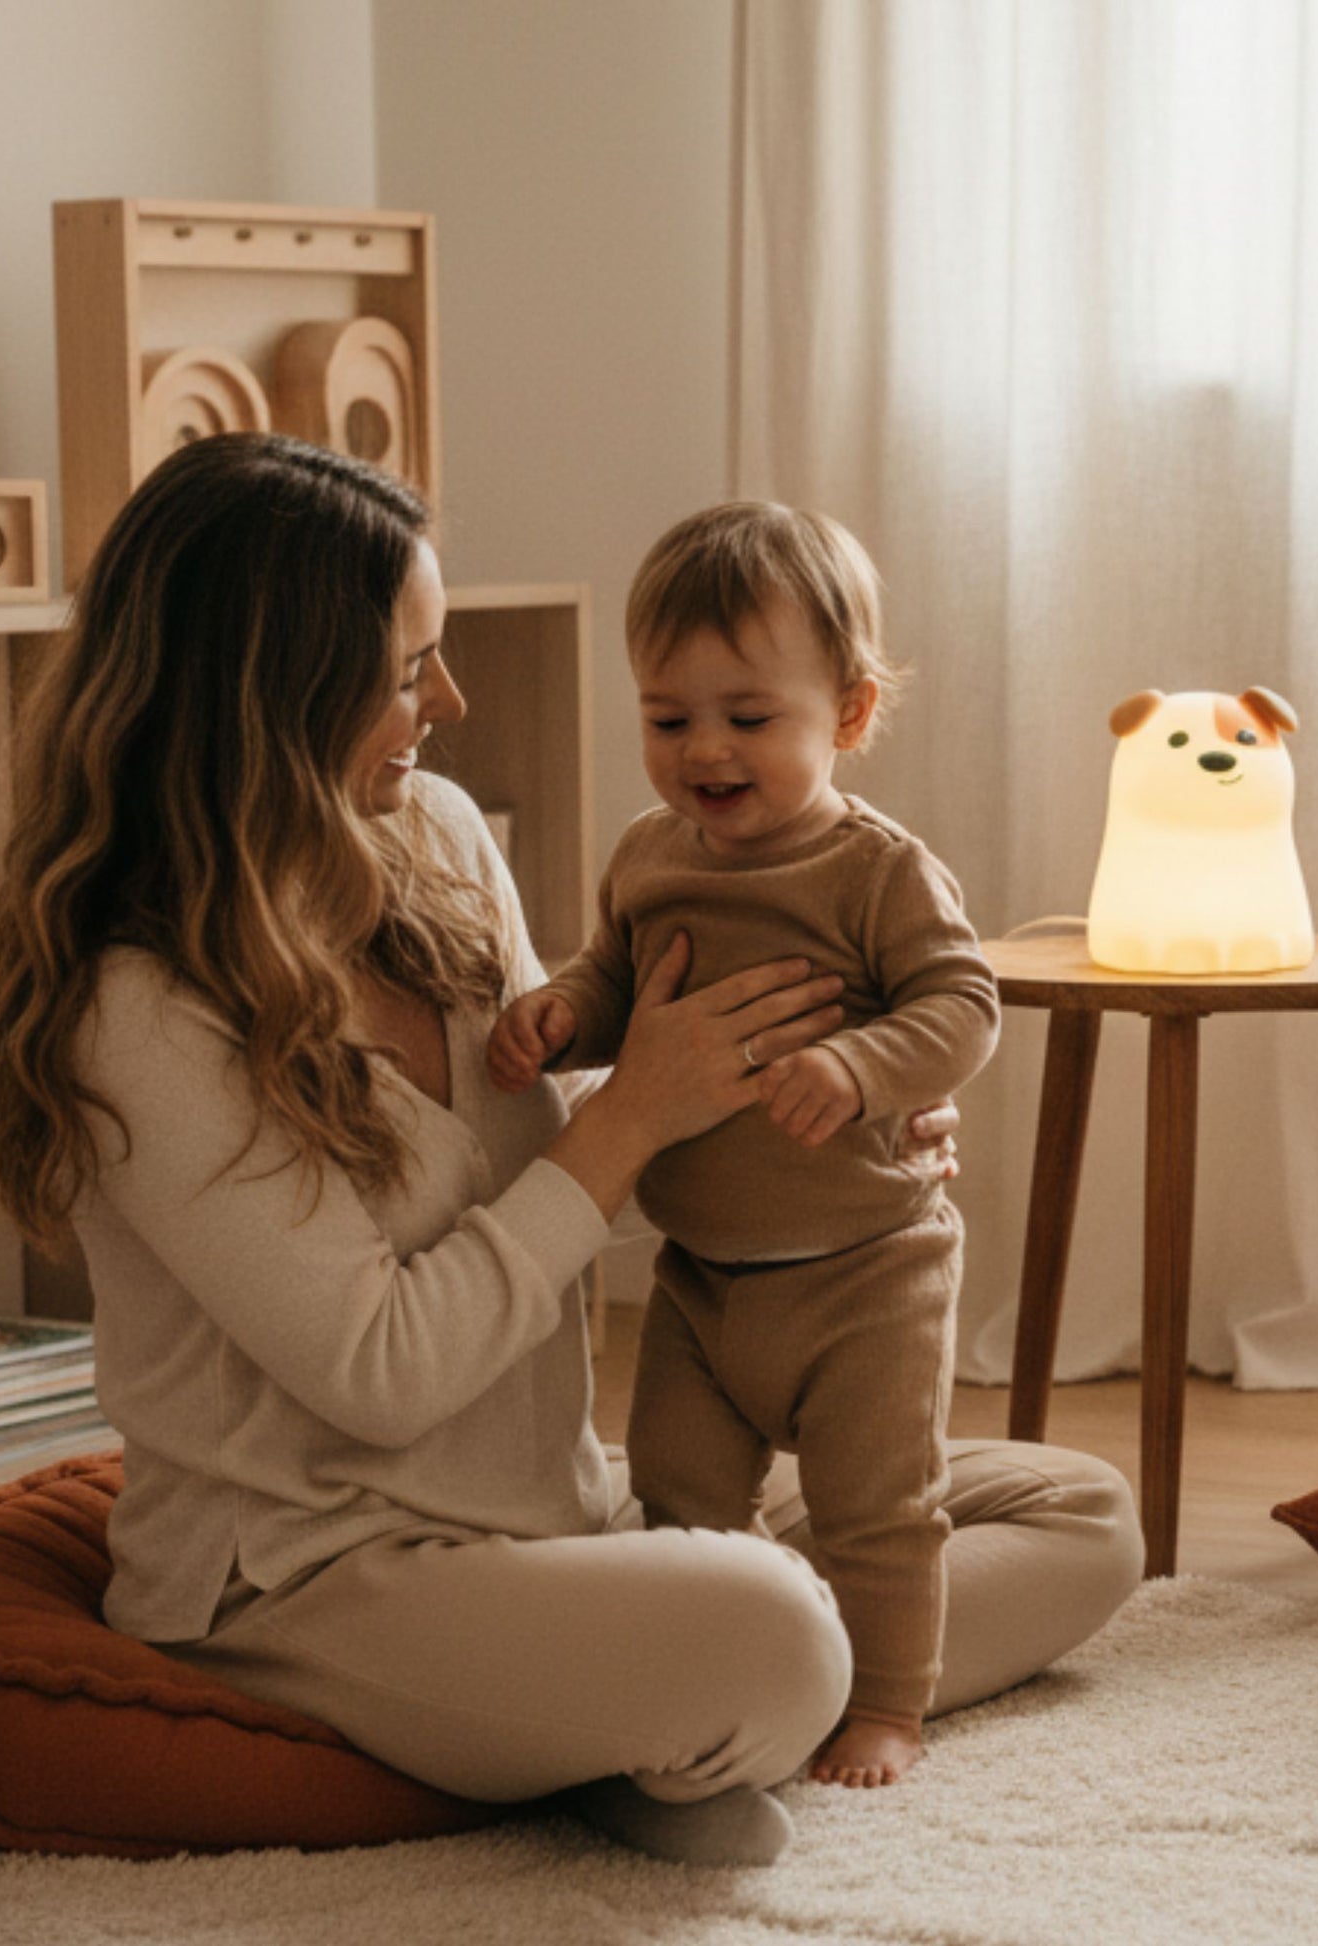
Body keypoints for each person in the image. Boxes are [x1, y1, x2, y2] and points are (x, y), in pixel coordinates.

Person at [0, 433, 1143, 1868]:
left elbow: (582, 1118)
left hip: (557, 1510)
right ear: (272, 690)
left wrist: (813, 1104)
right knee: (769, 1631)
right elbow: (383, 1369)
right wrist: (637, 1111)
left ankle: (619, 1712)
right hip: (312, 1575)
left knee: (1081, 1514)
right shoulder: (138, 1003)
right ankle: (648, 1708)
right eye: (407, 669)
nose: (445, 702)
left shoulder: (433, 836)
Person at [489, 502, 995, 1790]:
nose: (704, 749)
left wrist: (858, 1063)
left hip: (866, 1271)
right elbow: (616, 977)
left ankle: (884, 1705)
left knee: (881, 1511)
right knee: (676, 1492)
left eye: (748, 718)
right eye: (668, 719)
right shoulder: (651, 856)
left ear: (852, 712)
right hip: (701, 1273)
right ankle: (722, 1665)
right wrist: (561, 1015)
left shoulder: (878, 873)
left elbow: (962, 1005)